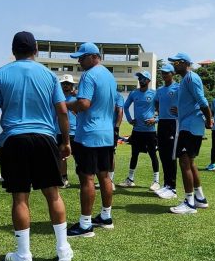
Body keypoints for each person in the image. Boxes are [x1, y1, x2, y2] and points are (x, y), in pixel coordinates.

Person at [0, 31, 74, 261]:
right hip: (45, 138)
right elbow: (62, 111)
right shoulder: (49, 75)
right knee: (53, 194)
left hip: (14, 140)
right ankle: (63, 249)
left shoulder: (0, 75)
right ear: (36, 50)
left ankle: (24, 256)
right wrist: (65, 141)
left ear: (13, 51)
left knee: (20, 197)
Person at [66, 42, 117, 237]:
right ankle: (106, 216)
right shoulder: (109, 76)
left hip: (89, 134)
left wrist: (66, 105)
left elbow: (84, 104)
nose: (79, 61)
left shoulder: (89, 75)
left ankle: (85, 225)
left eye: (82, 57)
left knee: (87, 178)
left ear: (94, 56)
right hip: (106, 133)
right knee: (104, 176)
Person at [168, 52, 213, 215]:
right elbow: (192, 102)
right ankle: (200, 198)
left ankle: (189, 203)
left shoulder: (191, 78)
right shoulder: (185, 79)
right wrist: (180, 110)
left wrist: (209, 120)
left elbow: (202, 101)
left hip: (191, 126)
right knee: (190, 162)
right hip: (188, 124)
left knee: (184, 162)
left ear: (184, 63)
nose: (173, 65)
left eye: (175, 63)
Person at [118, 71, 159, 190]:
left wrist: (155, 119)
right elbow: (125, 107)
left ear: (148, 80)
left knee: (153, 155)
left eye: (143, 78)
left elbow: (161, 109)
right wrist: (130, 120)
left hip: (150, 131)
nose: (141, 80)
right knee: (134, 155)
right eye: (139, 78)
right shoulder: (134, 93)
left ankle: (156, 181)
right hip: (137, 131)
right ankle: (130, 180)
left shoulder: (154, 94)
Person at [153, 63, 179, 199]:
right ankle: (166, 185)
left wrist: (180, 109)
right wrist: (159, 111)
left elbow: (188, 101)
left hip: (173, 123)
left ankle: (172, 188)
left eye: (166, 73)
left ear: (172, 74)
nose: (164, 75)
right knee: (163, 154)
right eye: (162, 73)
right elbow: (156, 102)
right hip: (162, 122)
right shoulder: (160, 90)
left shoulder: (178, 88)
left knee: (170, 156)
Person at [57, 74, 77, 188]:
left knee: (78, 157)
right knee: (62, 157)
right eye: (64, 84)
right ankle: (64, 178)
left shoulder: (77, 99)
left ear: (72, 85)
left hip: (75, 132)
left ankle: (83, 179)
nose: (66, 86)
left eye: (68, 84)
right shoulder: (56, 99)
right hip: (59, 132)